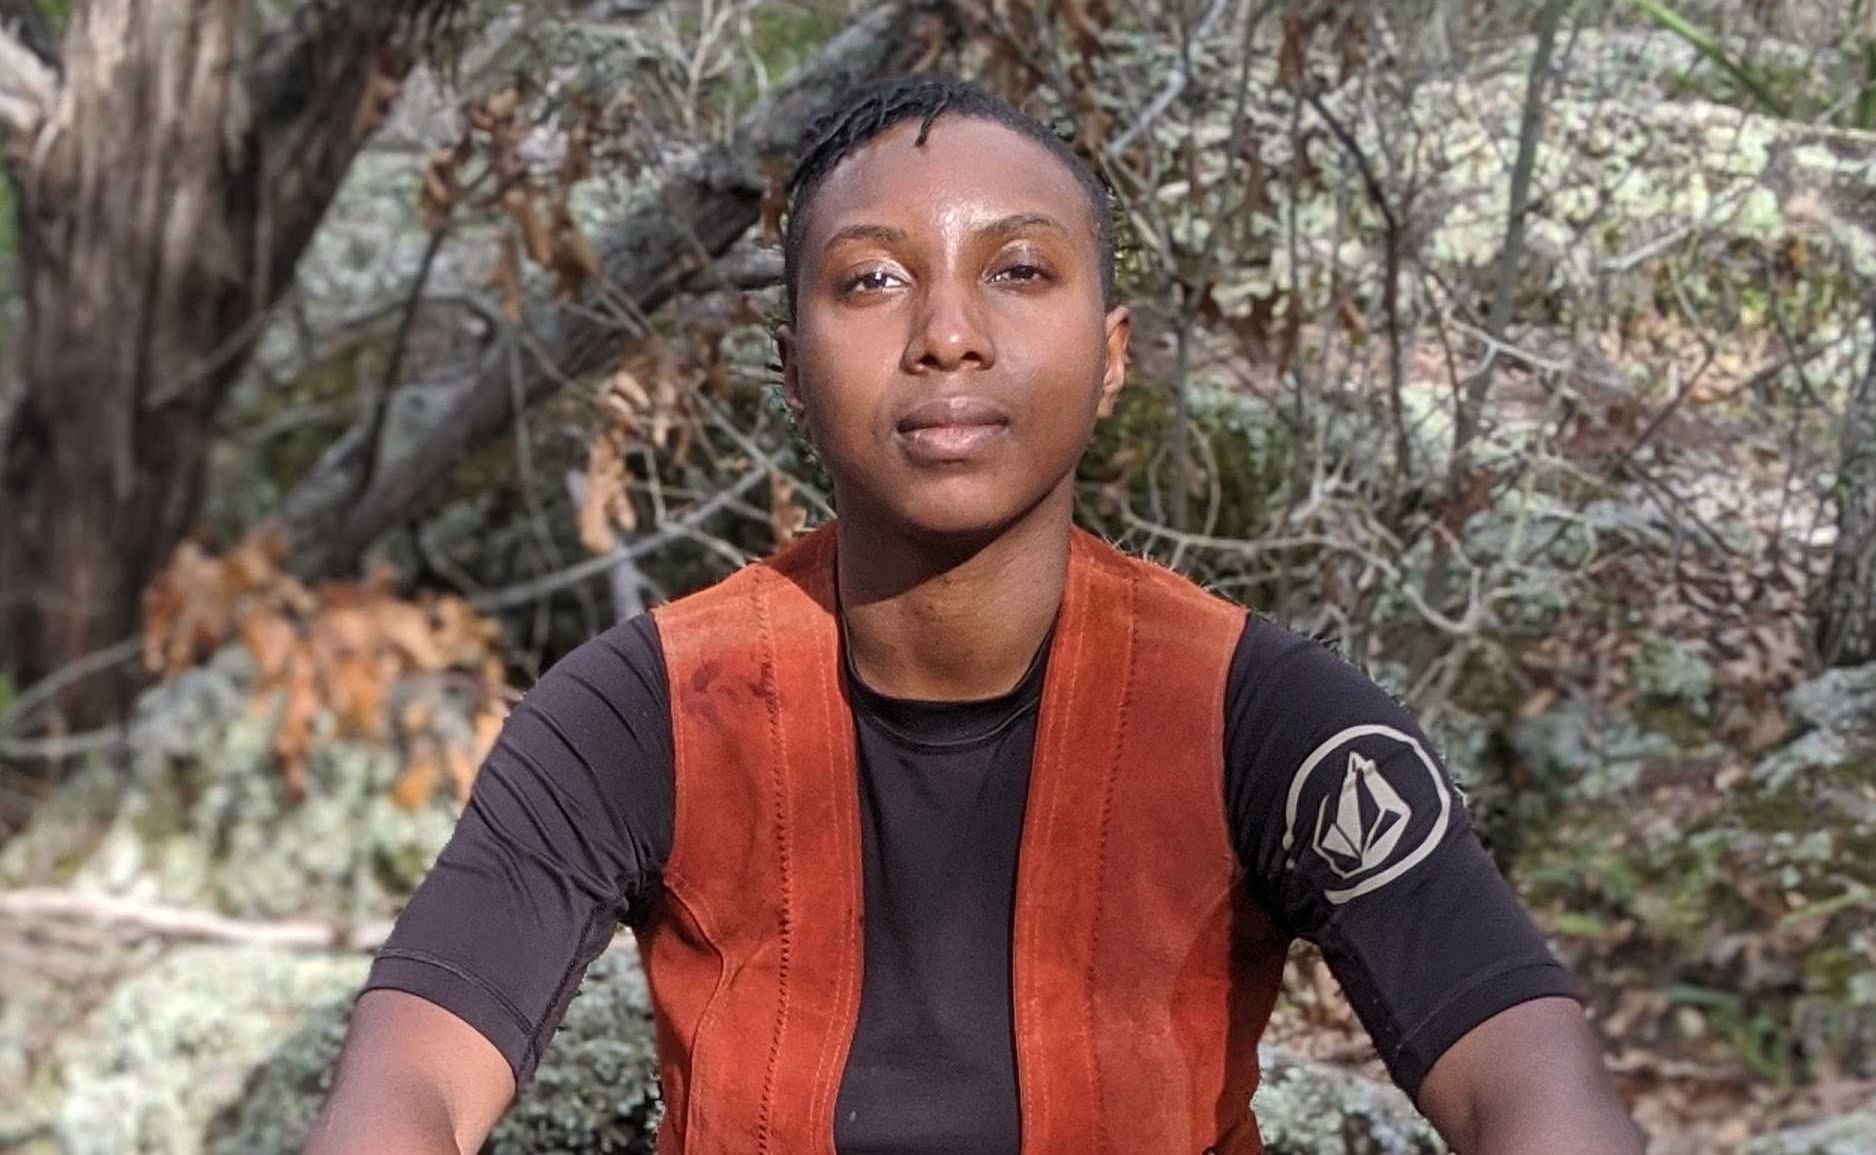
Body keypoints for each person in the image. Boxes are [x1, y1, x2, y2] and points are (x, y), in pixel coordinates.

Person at [302, 73, 1642, 1155]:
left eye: (1017, 270)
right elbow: (406, 1090)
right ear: (790, 362)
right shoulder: (643, 710)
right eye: (871, 280)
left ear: (1109, 355)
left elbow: (1533, 1091)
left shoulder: (1270, 720)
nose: (947, 333)